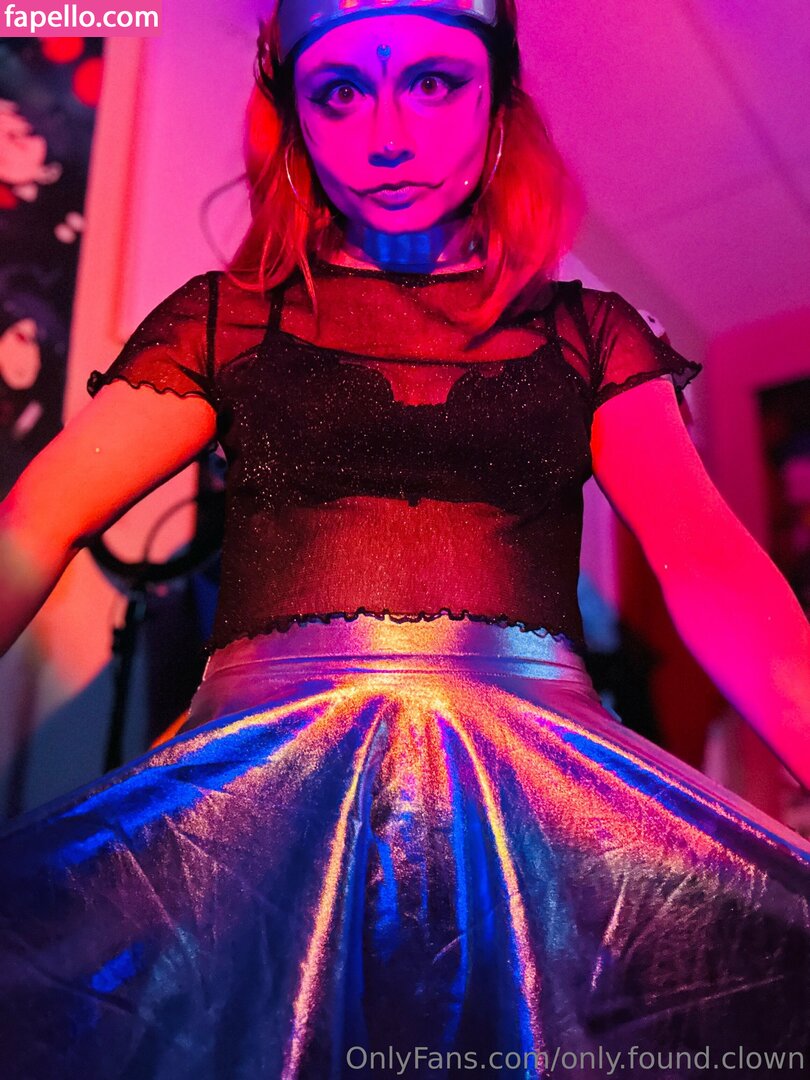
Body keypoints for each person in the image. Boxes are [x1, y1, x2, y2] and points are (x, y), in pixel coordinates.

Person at [1, 2, 810, 1077]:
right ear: (294, 118)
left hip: (538, 818)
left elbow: (707, 561)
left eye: (433, 81)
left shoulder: (595, 336)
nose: (387, 135)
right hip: (261, 820)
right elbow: (34, 525)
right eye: (340, 91)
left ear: (497, 99)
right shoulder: (224, 321)